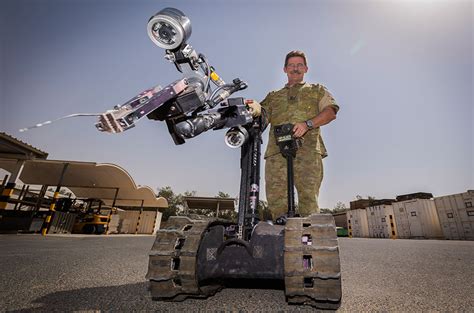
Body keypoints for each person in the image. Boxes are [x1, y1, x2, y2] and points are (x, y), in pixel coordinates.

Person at [256, 50, 340, 220]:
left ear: (306, 69)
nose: (295, 68)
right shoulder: (273, 97)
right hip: (276, 152)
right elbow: (259, 116)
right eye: (292, 65)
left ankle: (309, 241)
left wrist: (308, 124)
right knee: (277, 199)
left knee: (309, 200)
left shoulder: (317, 90)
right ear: (285, 69)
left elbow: (330, 112)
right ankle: (281, 239)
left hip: (308, 152)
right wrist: (249, 107)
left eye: (299, 65)